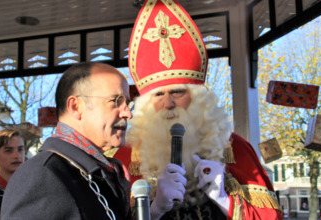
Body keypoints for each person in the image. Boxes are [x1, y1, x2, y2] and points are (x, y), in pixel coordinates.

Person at [114, 0, 283, 219]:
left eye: (177, 92)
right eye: (158, 95)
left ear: (199, 99)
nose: (168, 104)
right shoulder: (126, 158)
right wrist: (154, 209)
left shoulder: (235, 148)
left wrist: (223, 198)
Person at [1, 62, 133, 219]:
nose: (128, 114)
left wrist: (156, 211)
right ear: (76, 107)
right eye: (116, 101)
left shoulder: (99, 172)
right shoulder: (42, 176)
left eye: (128, 103)